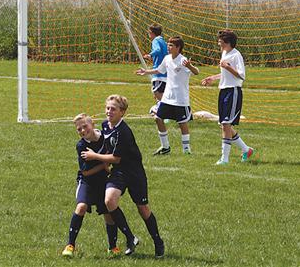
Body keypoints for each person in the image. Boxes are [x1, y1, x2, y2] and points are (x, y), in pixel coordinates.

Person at [81, 95, 165, 258]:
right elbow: (107, 148)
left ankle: (158, 242)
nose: (109, 111)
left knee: (143, 209)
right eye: (107, 108)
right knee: (109, 200)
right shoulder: (105, 126)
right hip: (119, 172)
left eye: (113, 109)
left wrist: (95, 157)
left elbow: (116, 158)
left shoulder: (124, 131)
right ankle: (130, 238)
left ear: (122, 112)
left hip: (134, 173)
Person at [62, 114, 120, 258]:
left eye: (85, 126)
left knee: (108, 212)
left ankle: (112, 247)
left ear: (93, 124)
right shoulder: (81, 145)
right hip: (87, 181)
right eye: (78, 129)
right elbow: (86, 172)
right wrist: (103, 163)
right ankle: (70, 245)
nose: (82, 130)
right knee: (81, 207)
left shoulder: (105, 137)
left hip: (104, 181)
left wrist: (107, 164)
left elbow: (115, 156)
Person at [136, 36, 199, 155]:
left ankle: (186, 150)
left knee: (182, 123)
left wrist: (190, 66)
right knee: (158, 118)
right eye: (168, 45)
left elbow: (196, 72)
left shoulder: (182, 60)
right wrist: (146, 72)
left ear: (178, 47)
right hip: (167, 98)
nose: (168, 47)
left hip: (180, 98)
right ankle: (165, 147)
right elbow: (159, 70)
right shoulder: (167, 58)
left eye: (171, 45)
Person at [201, 29, 254, 165]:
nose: (218, 43)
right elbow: (225, 73)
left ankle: (224, 159)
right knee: (224, 125)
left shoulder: (236, 55)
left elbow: (242, 75)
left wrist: (228, 67)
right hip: (223, 91)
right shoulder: (224, 53)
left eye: (220, 40)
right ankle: (246, 149)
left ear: (228, 42)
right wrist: (213, 78)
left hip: (233, 92)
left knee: (225, 124)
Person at [143, 23, 168, 114]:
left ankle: (163, 108)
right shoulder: (163, 41)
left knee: (157, 92)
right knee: (159, 91)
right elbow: (163, 53)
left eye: (149, 32)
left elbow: (157, 50)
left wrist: (150, 54)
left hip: (159, 72)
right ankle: (160, 106)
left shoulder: (155, 41)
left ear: (152, 33)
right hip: (165, 71)